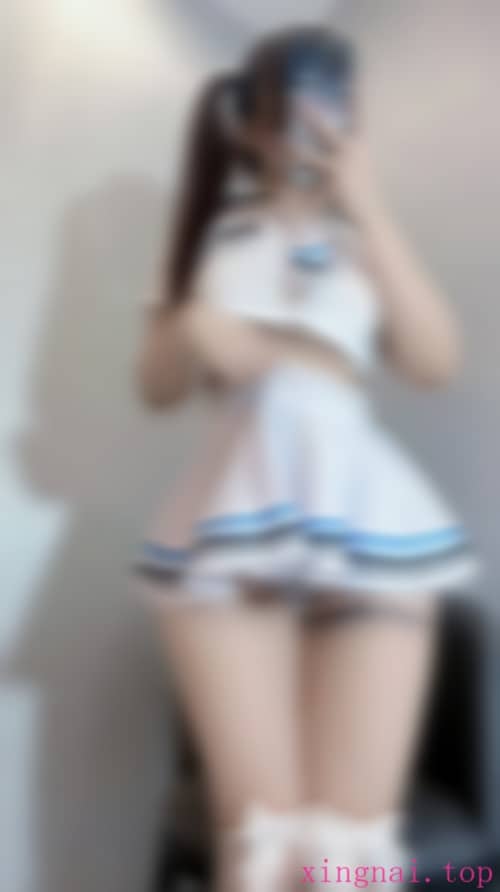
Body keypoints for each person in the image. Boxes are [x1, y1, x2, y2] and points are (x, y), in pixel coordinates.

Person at [134, 25, 479, 892]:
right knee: (263, 844)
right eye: (294, 106)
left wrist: (368, 208)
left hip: (364, 521)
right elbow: (159, 386)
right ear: (252, 124)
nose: (316, 125)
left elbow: (435, 360)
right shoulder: (212, 238)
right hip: (233, 517)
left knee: (347, 853)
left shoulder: (365, 239)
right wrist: (191, 324)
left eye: (337, 104)